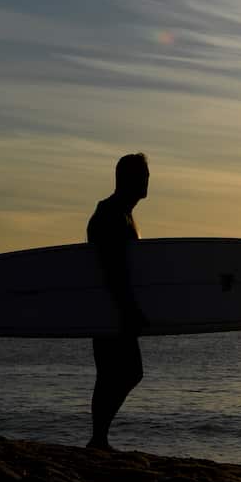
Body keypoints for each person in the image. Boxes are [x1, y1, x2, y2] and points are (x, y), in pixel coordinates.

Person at [86, 152, 151, 451]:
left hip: (113, 307)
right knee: (121, 372)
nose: (148, 181)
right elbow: (113, 269)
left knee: (117, 373)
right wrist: (128, 309)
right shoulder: (110, 214)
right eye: (143, 176)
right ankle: (98, 437)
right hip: (110, 307)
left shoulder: (123, 213)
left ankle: (99, 438)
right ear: (128, 179)